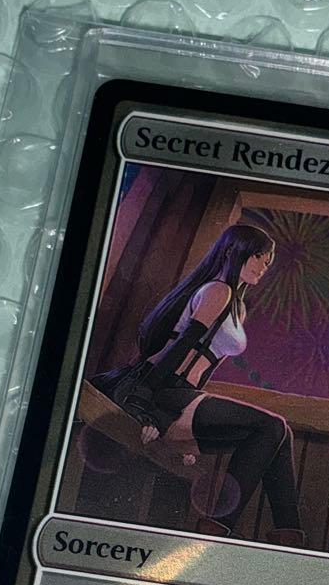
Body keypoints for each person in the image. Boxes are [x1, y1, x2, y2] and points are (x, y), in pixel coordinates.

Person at [94, 224, 305, 547]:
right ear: (236, 252)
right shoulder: (218, 291)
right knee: (272, 426)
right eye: (259, 257)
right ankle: (222, 527)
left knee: (279, 432)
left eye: (268, 262)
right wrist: (144, 403)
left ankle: (285, 533)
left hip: (184, 396)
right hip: (164, 389)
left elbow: (206, 365)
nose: (264, 267)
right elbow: (181, 348)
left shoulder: (238, 306)